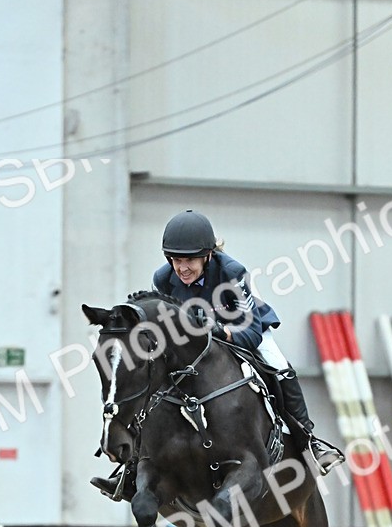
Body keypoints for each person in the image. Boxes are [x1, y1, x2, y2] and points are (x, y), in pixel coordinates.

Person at [91, 210, 344, 498]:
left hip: (241, 331)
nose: (182, 268)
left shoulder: (231, 273)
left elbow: (251, 331)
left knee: (279, 365)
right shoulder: (162, 279)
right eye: (175, 260)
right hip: (192, 345)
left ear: (208, 255)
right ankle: (133, 468)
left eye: (189, 260)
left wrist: (219, 331)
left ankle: (308, 440)